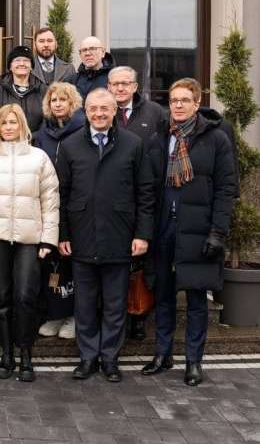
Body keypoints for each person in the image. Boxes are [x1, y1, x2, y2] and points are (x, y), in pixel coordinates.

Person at [141, 78, 237, 387]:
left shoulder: (216, 139)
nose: (178, 105)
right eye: (174, 101)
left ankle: (194, 361)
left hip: (199, 230)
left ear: (197, 104)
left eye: (184, 100)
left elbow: (226, 189)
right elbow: (148, 188)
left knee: (196, 299)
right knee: (163, 295)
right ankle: (163, 354)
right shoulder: (159, 137)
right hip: (164, 228)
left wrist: (218, 232)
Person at [56, 88, 153, 383]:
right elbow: (61, 194)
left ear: (114, 111)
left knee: (114, 304)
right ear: (85, 112)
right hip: (82, 235)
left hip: (119, 236)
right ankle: (87, 357)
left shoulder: (133, 144)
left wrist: (142, 234)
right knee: (84, 304)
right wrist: (63, 234)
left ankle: (110, 358)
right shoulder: (70, 145)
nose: (99, 114)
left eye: (104, 109)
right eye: (93, 109)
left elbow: (145, 193)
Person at [0, 104, 60, 382]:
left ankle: (25, 354)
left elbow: (50, 201)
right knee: (0, 298)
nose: (9, 127)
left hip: (30, 239)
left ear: (22, 126)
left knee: (25, 297)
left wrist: (48, 240)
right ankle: (6, 355)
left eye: (13, 122)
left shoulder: (39, 158)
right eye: (4, 123)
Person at [107, 66, 167, 341]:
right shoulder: (100, 111)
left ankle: (139, 316)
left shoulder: (154, 113)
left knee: (141, 261)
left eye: (125, 83)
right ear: (108, 87)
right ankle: (117, 315)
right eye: (115, 84)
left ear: (135, 86)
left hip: (145, 194)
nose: (120, 88)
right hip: (112, 199)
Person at [32, 82, 85, 341]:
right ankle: (55, 313)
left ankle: (73, 316)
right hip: (47, 205)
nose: (58, 104)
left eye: (63, 100)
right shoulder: (42, 134)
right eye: (54, 100)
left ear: (73, 103)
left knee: (72, 262)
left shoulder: (83, 130)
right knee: (52, 264)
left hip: (74, 204)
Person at [0, 46, 47, 132]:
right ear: (10, 66)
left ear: (31, 66)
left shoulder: (43, 90)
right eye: (17, 60)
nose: (22, 63)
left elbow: (48, 120)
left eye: (26, 60)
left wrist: (35, 136)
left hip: (37, 139)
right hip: (5, 138)